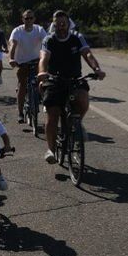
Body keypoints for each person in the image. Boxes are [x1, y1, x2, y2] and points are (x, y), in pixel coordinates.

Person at [38, 10, 106, 164]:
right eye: (58, 23)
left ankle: (76, 124)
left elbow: (88, 54)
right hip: (54, 80)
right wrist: (42, 72)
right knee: (53, 113)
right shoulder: (49, 40)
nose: (61, 26)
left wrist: (96, 69)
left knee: (82, 99)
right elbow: (43, 58)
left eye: (64, 23)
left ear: (68, 23)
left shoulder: (77, 38)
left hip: (75, 79)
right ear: (54, 24)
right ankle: (51, 149)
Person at [9, 9, 48, 123]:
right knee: (22, 86)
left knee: (44, 81)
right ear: (23, 19)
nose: (29, 20)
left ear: (34, 19)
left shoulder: (39, 29)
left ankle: (45, 102)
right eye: (26, 18)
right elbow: (13, 45)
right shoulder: (17, 31)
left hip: (37, 61)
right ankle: (20, 113)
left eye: (31, 18)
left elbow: (47, 42)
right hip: (22, 62)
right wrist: (11, 58)